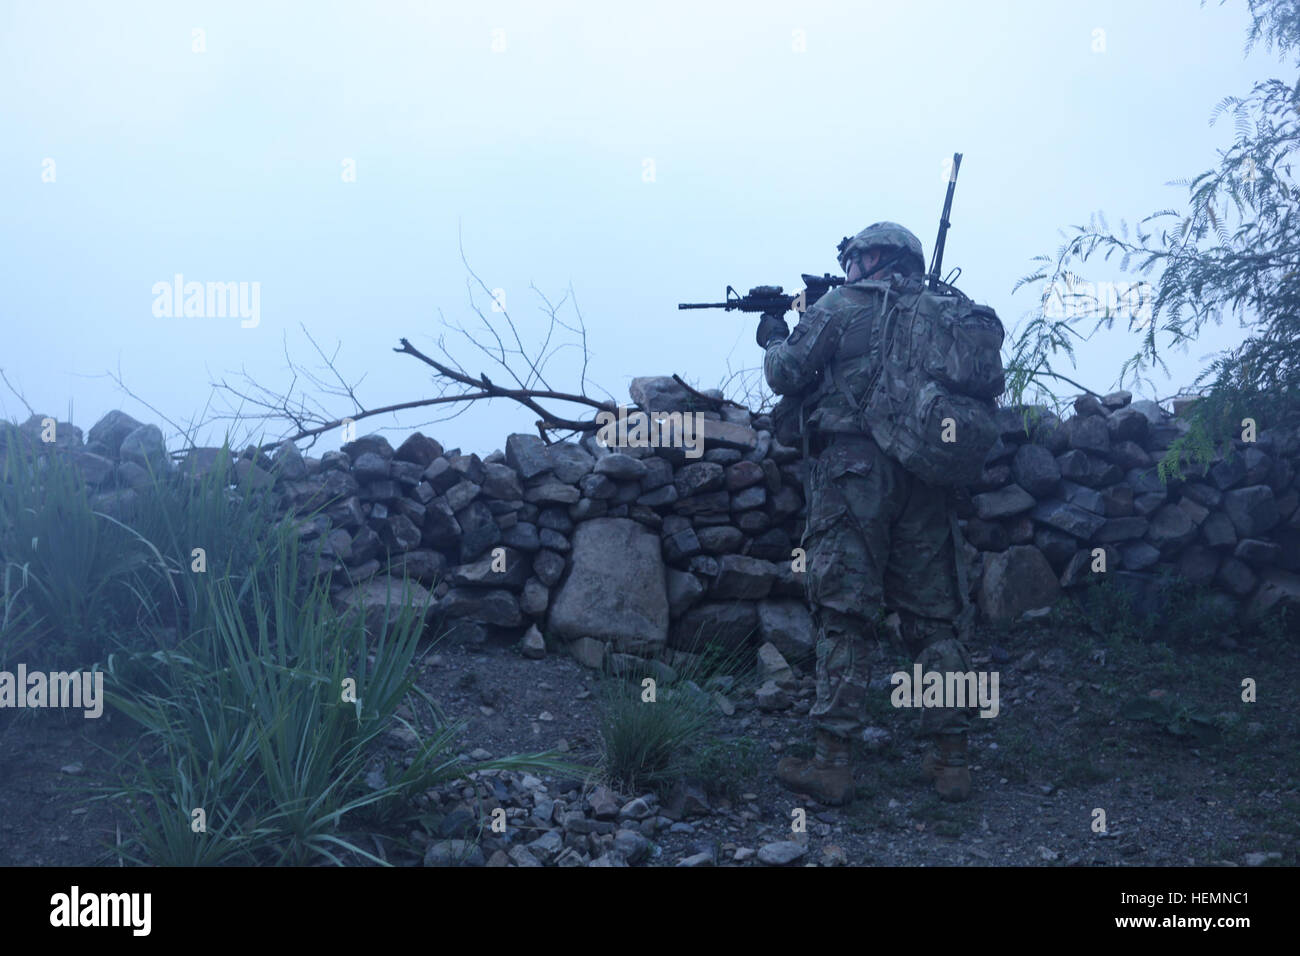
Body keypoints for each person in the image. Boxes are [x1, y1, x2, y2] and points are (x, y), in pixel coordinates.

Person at [756, 222, 975, 805]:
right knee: (934, 621)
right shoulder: (943, 311)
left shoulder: (841, 306)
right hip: (924, 474)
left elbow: (786, 373)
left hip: (854, 469)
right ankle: (950, 761)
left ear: (875, 257)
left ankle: (832, 763)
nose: (849, 266)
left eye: (855, 256)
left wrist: (775, 333)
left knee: (845, 612)